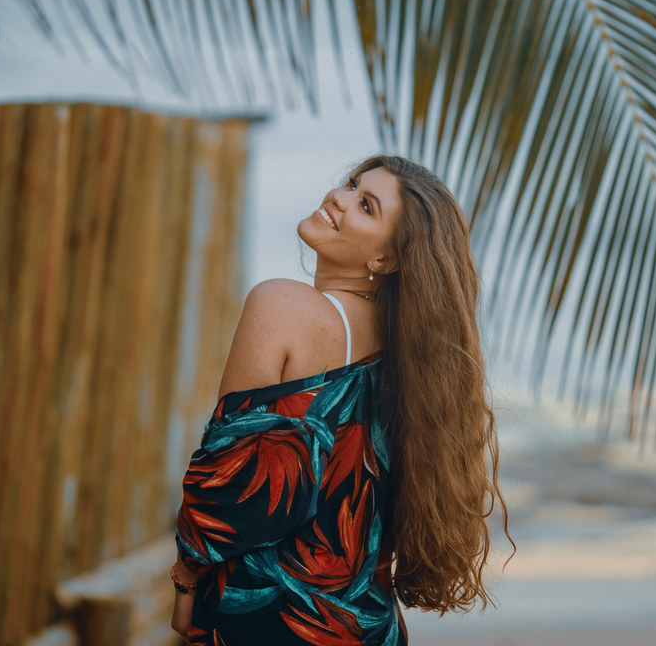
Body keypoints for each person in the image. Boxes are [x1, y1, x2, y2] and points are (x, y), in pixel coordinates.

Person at [170, 154, 510, 645]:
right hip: (367, 625)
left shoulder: (280, 304)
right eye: (352, 185)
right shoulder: (419, 374)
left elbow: (231, 483)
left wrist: (185, 579)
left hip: (276, 621)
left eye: (366, 205)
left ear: (385, 260)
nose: (339, 197)